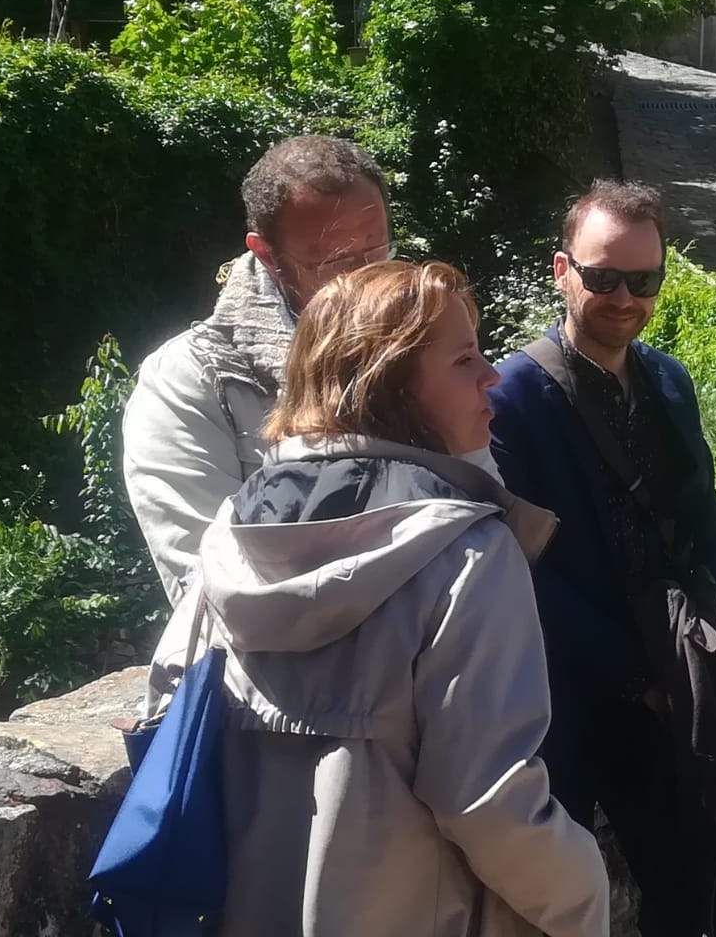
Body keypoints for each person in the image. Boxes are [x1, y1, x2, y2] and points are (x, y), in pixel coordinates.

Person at [148, 259, 610, 937]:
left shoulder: (231, 533)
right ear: (390, 384)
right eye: (462, 359)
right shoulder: (466, 551)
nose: (491, 375)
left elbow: (166, 711)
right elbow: (487, 801)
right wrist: (583, 896)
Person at [488, 180, 716, 937]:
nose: (623, 299)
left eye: (642, 282)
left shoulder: (670, 382)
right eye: (603, 277)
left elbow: (705, 524)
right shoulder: (510, 397)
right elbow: (519, 570)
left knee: (696, 893)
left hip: (674, 690)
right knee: (553, 911)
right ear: (560, 271)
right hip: (567, 700)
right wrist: (636, 676)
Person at [123, 134, 394, 603]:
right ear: (267, 254)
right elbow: (208, 584)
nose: (368, 280)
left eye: (378, 251)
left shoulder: (417, 339)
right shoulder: (189, 380)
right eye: (337, 261)